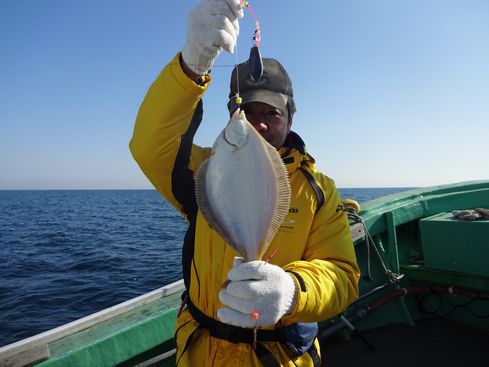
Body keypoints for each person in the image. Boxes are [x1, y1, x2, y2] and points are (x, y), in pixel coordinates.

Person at [129, 0, 360, 365]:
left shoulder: (318, 189)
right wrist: (191, 68)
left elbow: (341, 275)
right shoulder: (205, 169)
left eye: (272, 113)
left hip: (279, 357)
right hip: (202, 353)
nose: (260, 124)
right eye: (247, 113)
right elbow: (148, 145)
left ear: (291, 116)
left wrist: (292, 291)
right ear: (231, 115)